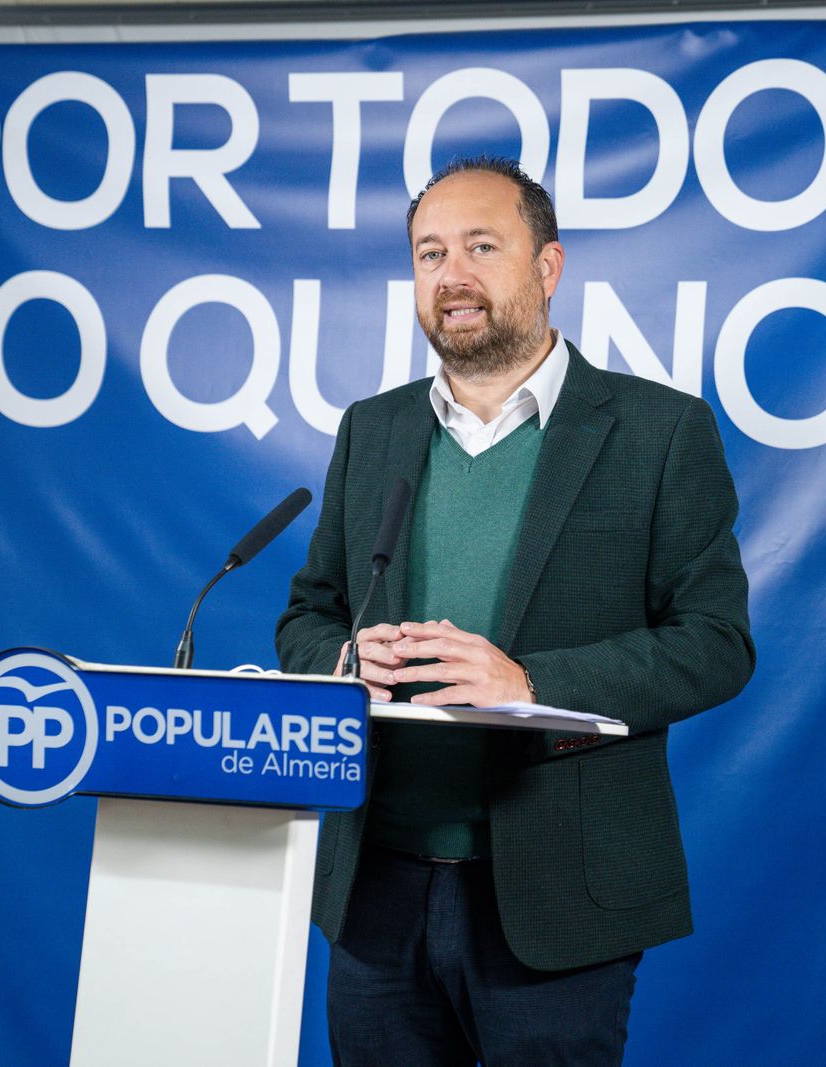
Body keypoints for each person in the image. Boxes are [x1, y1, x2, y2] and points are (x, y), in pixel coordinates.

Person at [276, 156, 754, 1066]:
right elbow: (308, 614)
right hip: (372, 890)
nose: (450, 275)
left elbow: (717, 644)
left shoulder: (659, 431)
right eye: (429, 253)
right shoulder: (371, 430)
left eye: (481, 247)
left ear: (548, 267)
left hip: (555, 894)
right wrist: (342, 658)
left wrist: (531, 682)